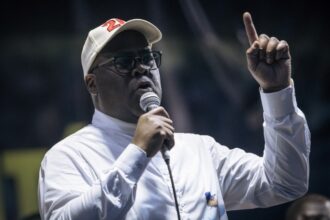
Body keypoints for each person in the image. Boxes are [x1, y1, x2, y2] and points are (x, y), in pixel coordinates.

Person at [38, 12, 311, 220]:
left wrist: (276, 91)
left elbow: (286, 183)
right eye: (123, 62)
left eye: (147, 57)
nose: (141, 68)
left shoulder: (199, 150)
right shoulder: (68, 156)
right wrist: (137, 153)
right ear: (92, 84)